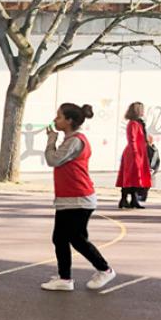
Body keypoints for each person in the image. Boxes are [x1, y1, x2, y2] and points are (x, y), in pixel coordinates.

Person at [40, 103, 116, 292]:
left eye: (59, 117)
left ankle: (104, 269)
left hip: (79, 198)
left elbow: (53, 160)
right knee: (60, 238)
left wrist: (51, 140)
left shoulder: (75, 141)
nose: (55, 120)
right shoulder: (70, 140)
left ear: (69, 120)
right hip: (69, 198)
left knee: (77, 238)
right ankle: (65, 278)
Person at [116, 102, 151, 209]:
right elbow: (132, 140)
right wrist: (136, 153)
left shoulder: (139, 123)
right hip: (133, 153)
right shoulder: (133, 124)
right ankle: (124, 199)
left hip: (139, 152)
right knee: (130, 177)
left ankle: (133, 199)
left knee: (135, 177)